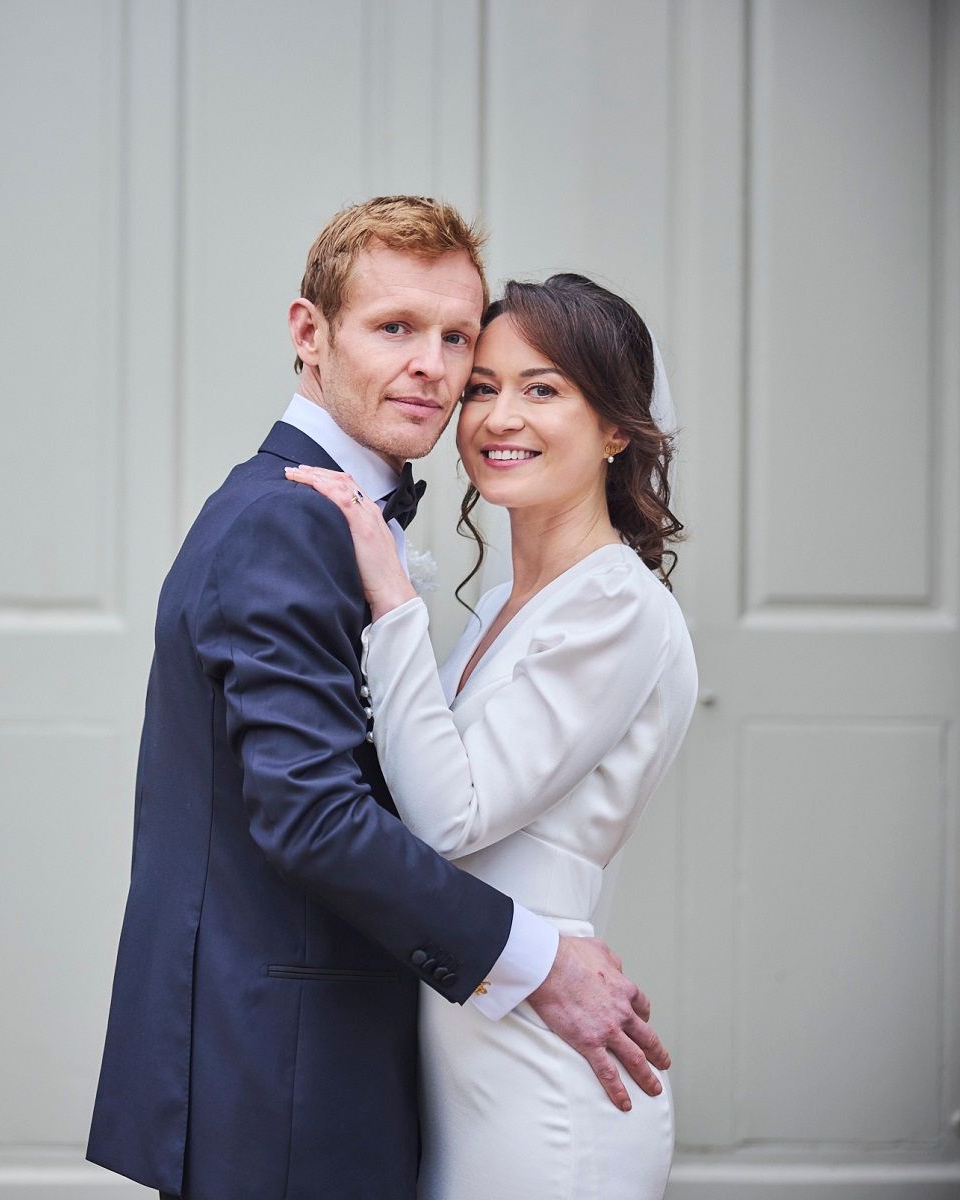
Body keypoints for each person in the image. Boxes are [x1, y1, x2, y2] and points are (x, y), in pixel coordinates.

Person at [86, 198, 670, 1200]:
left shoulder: (346, 520)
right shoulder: (289, 522)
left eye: (455, 338)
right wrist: (538, 958)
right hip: (280, 1069)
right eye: (395, 328)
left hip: (339, 1060)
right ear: (309, 335)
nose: (434, 369)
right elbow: (313, 815)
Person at [286, 271, 695, 1198]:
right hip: (461, 1053)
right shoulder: (506, 606)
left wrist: (390, 598)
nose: (498, 417)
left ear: (617, 427)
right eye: (482, 387)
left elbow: (448, 819)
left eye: (542, 389)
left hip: (541, 1079)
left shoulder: (614, 605)